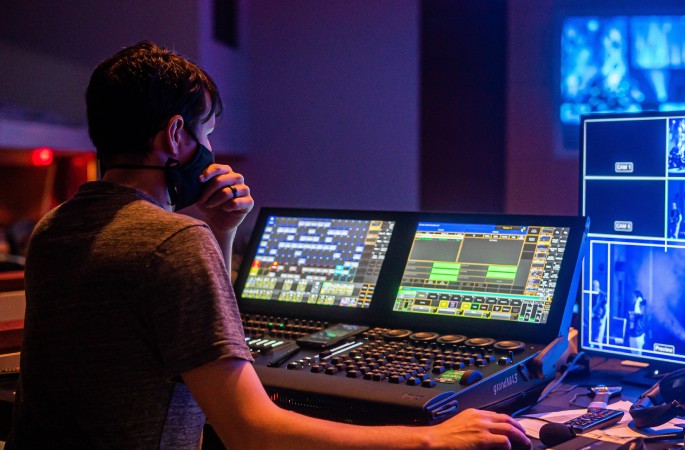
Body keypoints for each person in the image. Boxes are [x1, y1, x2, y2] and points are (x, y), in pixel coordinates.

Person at [7, 42, 529, 449]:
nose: (209, 149)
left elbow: (183, 335)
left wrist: (220, 229)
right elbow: (254, 434)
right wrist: (433, 437)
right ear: (174, 136)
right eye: (206, 131)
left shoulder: (55, 229)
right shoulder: (173, 243)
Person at [627, 290, 647, 355]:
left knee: (639, 357)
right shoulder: (631, 307)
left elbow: (639, 313)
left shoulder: (642, 306)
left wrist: (638, 301)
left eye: (633, 297)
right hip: (632, 335)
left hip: (639, 336)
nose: (631, 299)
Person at [590, 279, 608, 343]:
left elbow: (606, 309)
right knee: (592, 337)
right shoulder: (591, 294)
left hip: (600, 319)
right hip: (592, 318)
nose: (591, 287)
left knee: (598, 339)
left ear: (597, 286)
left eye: (593, 286)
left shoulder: (603, 295)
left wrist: (602, 319)